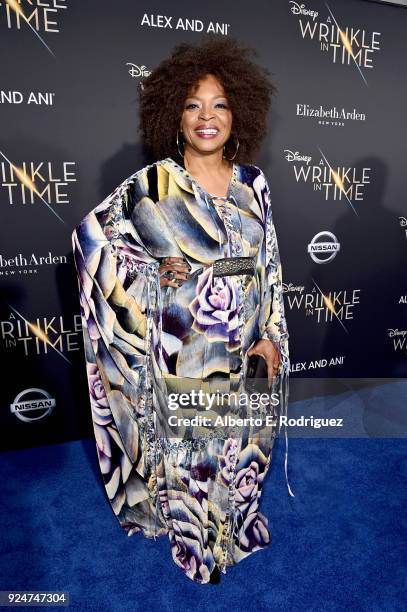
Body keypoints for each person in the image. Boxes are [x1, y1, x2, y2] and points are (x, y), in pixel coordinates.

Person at [72, 35, 293, 585]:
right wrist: (156, 274)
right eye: (193, 105)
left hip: (245, 345)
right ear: (175, 114)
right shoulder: (152, 187)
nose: (207, 116)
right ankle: (198, 542)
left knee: (243, 441)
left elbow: (269, 265)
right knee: (195, 452)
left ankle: (234, 524)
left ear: (237, 112)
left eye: (219, 104)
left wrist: (270, 333)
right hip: (184, 349)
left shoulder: (253, 185)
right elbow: (91, 242)